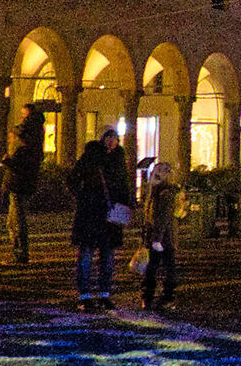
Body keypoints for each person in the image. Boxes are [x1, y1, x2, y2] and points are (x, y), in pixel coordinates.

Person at [71, 129, 133, 310]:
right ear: (103, 139)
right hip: (91, 213)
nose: (112, 142)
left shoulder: (119, 159)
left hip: (110, 214)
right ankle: (84, 295)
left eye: (115, 139)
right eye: (109, 138)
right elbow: (73, 178)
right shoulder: (91, 156)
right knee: (87, 255)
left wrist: (124, 204)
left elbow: (124, 185)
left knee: (107, 256)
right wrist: (85, 196)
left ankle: (105, 294)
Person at [6, 102, 47, 264]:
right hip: (22, 181)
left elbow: (20, 165)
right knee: (14, 219)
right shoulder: (34, 140)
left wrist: (8, 162)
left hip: (19, 183)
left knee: (17, 218)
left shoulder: (26, 144)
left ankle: (20, 252)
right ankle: (18, 250)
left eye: (24, 115)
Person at [141, 161, 180, 311]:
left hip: (163, 238)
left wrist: (156, 239)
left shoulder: (163, 193)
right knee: (165, 266)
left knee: (156, 267)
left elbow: (162, 217)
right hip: (165, 237)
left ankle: (154, 296)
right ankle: (164, 296)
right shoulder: (162, 191)